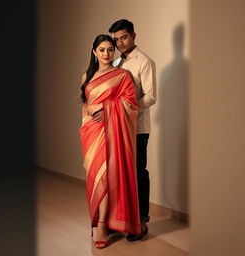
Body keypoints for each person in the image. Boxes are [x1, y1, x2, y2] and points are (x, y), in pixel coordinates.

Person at [79, 34, 141, 249]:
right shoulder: (86, 75)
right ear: (94, 52)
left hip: (110, 131)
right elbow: (85, 105)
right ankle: (100, 220)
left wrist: (105, 108)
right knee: (94, 177)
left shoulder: (122, 75)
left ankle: (104, 225)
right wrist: (83, 126)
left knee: (107, 176)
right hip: (90, 132)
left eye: (110, 50)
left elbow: (131, 104)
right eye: (102, 50)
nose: (107, 54)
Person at [108, 19, 157, 242]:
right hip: (117, 128)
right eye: (116, 39)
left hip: (137, 127)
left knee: (138, 172)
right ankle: (121, 221)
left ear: (134, 35)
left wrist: (127, 109)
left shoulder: (145, 62)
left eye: (123, 37)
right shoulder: (116, 62)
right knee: (119, 175)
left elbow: (150, 96)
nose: (120, 43)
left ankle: (142, 222)